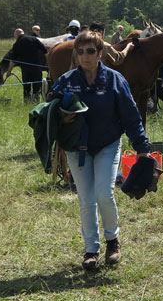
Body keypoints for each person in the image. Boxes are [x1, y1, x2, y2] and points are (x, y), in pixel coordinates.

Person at [48, 29, 152, 271]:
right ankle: (91, 250)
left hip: (107, 144)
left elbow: (131, 117)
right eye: (81, 51)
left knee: (104, 193)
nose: (85, 56)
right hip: (76, 148)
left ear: (100, 53)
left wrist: (143, 149)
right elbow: (49, 109)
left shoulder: (116, 80)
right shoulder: (67, 81)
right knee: (86, 199)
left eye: (90, 51)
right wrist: (62, 119)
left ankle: (112, 241)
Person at [3, 27, 49, 101]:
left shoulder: (17, 44)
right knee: (37, 85)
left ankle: (27, 101)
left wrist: (9, 71)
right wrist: (47, 63)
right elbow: (46, 52)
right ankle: (36, 100)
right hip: (36, 67)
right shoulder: (34, 39)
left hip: (25, 69)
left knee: (26, 86)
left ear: (16, 35)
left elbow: (13, 60)